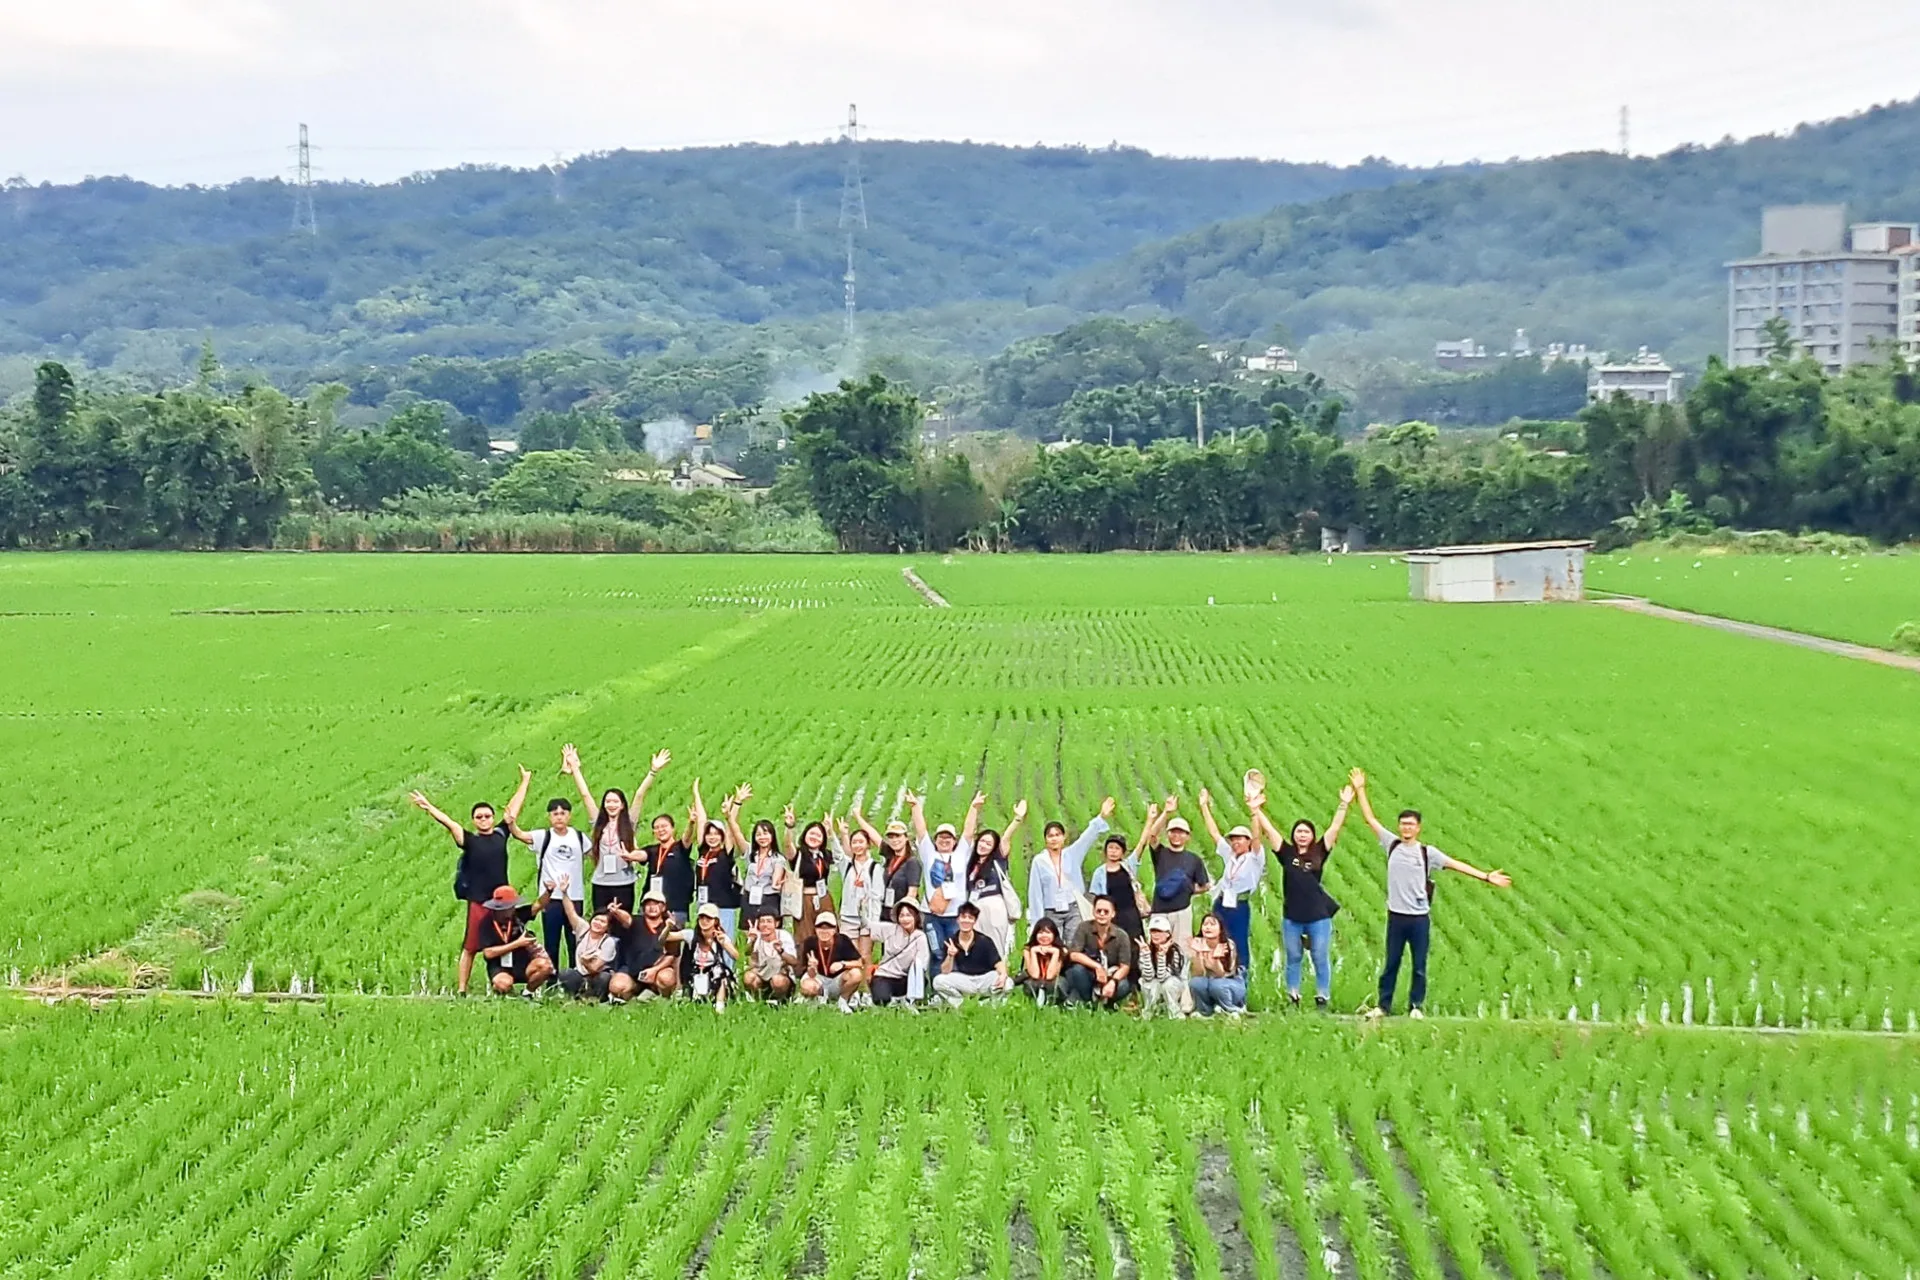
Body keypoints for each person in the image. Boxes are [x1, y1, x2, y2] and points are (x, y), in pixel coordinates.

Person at [1350, 770, 1512, 1019]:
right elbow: (1370, 819)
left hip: (1419, 918)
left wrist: (1486, 876)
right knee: (1391, 964)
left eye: (1411, 824)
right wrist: (1360, 789)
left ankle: (1416, 1006)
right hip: (1396, 916)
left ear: (1418, 828)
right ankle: (1383, 1006)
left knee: (1419, 966)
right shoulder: (1391, 844)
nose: (1406, 828)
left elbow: (1456, 864)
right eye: (1403, 824)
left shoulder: (1427, 853)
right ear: (1399, 826)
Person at [410, 784, 519, 996]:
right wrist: (428, 807)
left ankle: (504, 985)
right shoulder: (470, 841)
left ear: (492, 817)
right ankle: (462, 989)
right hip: (478, 901)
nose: (484, 820)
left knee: (505, 942)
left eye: (487, 816)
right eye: (479, 817)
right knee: (470, 946)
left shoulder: (501, 835)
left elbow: (513, 811)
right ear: (474, 821)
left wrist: (525, 781)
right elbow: (449, 823)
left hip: (502, 903)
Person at [1250, 782, 1350, 1009]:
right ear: (1294, 835)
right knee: (1294, 957)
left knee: (1319, 956)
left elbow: (1334, 828)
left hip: (1318, 915)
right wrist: (1256, 810)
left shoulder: (1319, 852)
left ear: (1312, 836)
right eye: (1299, 831)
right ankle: (1293, 995)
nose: (1302, 835)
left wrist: (1343, 804)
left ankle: (1322, 996)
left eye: (1306, 832)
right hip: (1292, 916)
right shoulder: (1287, 853)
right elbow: (1270, 832)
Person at [564, 744, 670, 916]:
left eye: (615, 802)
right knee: (601, 923)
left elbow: (640, 794)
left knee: (623, 925)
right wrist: (575, 769)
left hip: (624, 883)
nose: (611, 805)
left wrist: (653, 771)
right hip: (601, 883)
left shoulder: (629, 823)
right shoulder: (598, 822)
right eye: (608, 802)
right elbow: (585, 795)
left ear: (622, 805)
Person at [507, 773, 591, 971]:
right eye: (555, 813)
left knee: (575, 941)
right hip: (550, 899)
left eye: (563, 813)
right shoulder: (542, 836)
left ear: (569, 815)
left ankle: (575, 980)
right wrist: (511, 822)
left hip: (575, 896)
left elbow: (594, 855)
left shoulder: (579, 837)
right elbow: (519, 834)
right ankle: (552, 981)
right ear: (549, 817)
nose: (559, 816)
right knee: (551, 942)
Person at [1198, 786, 1263, 991]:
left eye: (1240, 839)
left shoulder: (1254, 858)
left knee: (1239, 943)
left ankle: (1240, 984)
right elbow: (1214, 833)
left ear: (1248, 841)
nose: (1235, 842)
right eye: (1233, 839)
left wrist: (1254, 812)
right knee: (1216, 941)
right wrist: (1204, 806)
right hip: (1222, 903)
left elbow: (1258, 836)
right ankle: (1216, 980)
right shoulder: (1230, 856)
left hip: (1239, 905)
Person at [1025, 796, 1116, 942]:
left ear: (1063, 837)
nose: (1054, 839)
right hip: (1051, 911)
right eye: (1050, 836)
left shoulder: (1072, 854)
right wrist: (1037, 922)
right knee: (1055, 945)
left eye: (1057, 835)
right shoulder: (1039, 861)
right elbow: (1035, 893)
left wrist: (1101, 816)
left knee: (1075, 944)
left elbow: (1087, 838)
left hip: (1073, 908)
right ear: (1045, 839)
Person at [909, 789, 984, 967]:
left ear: (954, 841)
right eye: (941, 837)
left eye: (948, 837)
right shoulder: (928, 854)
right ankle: (936, 989)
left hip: (955, 915)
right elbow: (921, 831)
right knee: (936, 952)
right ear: (935, 840)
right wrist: (915, 807)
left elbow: (968, 832)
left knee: (956, 951)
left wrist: (974, 808)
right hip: (932, 914)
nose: (944, 840)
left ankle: (954, 986)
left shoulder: (960, 854)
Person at [1142, 798, 1212, 951]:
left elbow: (1205, 885)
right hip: (1160, 910)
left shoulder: (1194, 860)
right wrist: (1166, 812)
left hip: (1182, 911)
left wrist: (1188, 889)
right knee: (1157, 950)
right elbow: (1152, 836)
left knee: (1182, 951)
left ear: (1188, 837)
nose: (1177, 836)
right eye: (1173, 832)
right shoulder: (1161, 853)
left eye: (1181, 833)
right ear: (1168, 834)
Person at [542, 876, 620, 1000]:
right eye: (596, 919)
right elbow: (571, 912)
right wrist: (564, 893)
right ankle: (577, 995)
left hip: (598, 975)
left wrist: (585, 962)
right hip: (580, 973)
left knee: (603, 978)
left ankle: (597, 998)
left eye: (602, 922)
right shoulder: (584, 929)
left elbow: (595, 969)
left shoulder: (608, 942)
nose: (598, 923)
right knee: (565, 974)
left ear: (607, 927)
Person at [961, 803, 1023, 956]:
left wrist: (1017, 819)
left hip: (994, 905)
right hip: (975, 906)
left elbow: (1006, 838)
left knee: (995, 946)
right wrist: (974, 808)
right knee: (975, 947)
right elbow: (967, 834)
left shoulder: (997, 860)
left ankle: (999, 976)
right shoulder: (971, 863)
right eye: (982, 841)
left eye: (988, 843)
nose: (983, 845)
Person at [1089, 807, 1153, 942]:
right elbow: (1094, 899)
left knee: (1136, 948)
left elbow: (1142, 843)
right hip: (1111, 918)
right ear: (1105, 851)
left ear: (1122, 852)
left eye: (1117, 848)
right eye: (1110, 848)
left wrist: (1150, 820)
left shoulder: (1128, 866)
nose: (1113, 851)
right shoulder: (1099, 873)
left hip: (1132, 916)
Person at [475, 884, 553, 996]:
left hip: (521, 963)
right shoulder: (486, 924)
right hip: (500, 966)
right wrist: (517, 943)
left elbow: (538, 905)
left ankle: (528, 993)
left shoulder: (518, 916)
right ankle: (507, 995)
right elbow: (488, 953)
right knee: (503, 984)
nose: (512, 909)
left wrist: (549, 891)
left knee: (545, 967)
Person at [689, 779, 743, 937]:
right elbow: (701, 820)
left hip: (723, 907)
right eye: (709, 834)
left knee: (724, 941)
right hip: (704, 905)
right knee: (704, 942)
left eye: (716, 834)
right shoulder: (703, 853)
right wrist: (696, 794)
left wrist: (733, 809)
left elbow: (730, 829)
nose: (712, 837)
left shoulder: (725, 854)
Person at [608, 885, 681, 1002]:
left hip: (657, 971)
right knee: (617, 986)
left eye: (657, 904)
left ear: (663, 908)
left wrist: (655, 970)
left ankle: (659, 996)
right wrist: (617, 912)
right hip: (632, 970)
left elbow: (671, 955)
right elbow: (626, 919)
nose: (652, 907)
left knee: (667, 978)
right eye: (648, 904)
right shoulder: (635, 921)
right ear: (643, 907)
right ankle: (632, 996)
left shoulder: (670, 927)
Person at [1062, 895, 1135, 1009]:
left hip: (1110, 974)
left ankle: (1107, 1004)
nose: (1101, 914)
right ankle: (1088, 1001)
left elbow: (1125, 966)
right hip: (1089, 973)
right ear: (1093, 912)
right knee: (1076, 971)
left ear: (1113, 914)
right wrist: (1097, 967)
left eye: (1106, 912)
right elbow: (1074, 954)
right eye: (1098, 911)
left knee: (1123, 985)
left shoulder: (1121, 935)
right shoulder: (1084, 927)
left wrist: (1113, 982)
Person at [932, 902, 1010, 1006]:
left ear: (974, 921)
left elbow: (998, 963)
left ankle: (992, 1004)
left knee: (1008, 983)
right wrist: (950, 955)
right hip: (964, 980)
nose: (966, 920)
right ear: (958, 920)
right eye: (963, 917)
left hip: (984, 978)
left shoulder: (985, 940)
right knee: (938, 981)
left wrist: (1003, 975)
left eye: (970, 918)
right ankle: (961, 1004)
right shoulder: (951, 941)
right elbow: (945, 971)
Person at [729, 796, 787, 930]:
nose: (762, 838)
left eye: (766, 834)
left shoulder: (778, 858)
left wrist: (776, 882)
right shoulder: (750, 852)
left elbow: (777, 877)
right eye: (759, 834)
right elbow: (736, 832)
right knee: (748, 934)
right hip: (749, 897)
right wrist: (733, 809)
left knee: (768, 934)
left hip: (769, 899)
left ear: (772, 836)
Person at [784, 809, 836, 948]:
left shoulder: (825, 855)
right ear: (805, 835)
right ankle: (804, 967)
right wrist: (789, 827)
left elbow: (844, 856)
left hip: (823, 898)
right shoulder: (799, 853)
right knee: (804, 936)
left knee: (827, 932)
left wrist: (831, 832)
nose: (815, 837)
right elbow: (788, 846)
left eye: (819, 835)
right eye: (811, 833)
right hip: (804, 899)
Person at [833, 810, 885, 944]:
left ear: (868, 844)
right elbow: (838, 855)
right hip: (848, 917)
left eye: (861, 842)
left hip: (867, 918)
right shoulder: (848, 865)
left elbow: (877, 895)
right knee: (849, 955)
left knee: (865, 956)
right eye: (854, 842)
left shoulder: (875, 868)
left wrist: (874, 922)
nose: (857, 845)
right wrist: (832, 834)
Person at [798, 911, 868, 1010]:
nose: (824, 931)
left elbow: (860, 962)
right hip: (819, 977)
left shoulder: (843, 941)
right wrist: (812, 968)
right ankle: (816, 998)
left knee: (856, 974)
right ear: (815, 929)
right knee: (807, 986)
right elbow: (809, 973)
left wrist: (842, 964)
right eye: (820, 928)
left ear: (835, 929)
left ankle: (843, 1000)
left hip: (838, 979)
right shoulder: (810, 943)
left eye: (829, 928)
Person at [678, 902, 740, 1011]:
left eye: (708, 919)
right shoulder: (691, 935)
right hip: (695, 972)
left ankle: (719, 1006)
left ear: (715, 921)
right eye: (702, 918)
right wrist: (668, 927)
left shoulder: (720, 937)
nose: (704, 921)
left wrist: (724, 944)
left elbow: (736, 956)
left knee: (721, 972)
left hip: (713, 975)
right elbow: (665, 938)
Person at [869, 899, 931, 1007]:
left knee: (921, 979)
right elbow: (869, 926)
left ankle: (907, 999)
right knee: (881, 1000)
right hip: (885, 975)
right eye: (902, 915)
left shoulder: (920, 937)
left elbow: (922, 963)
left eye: (908, 915)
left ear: (915, 917)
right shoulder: (890, 929)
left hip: (905, 977)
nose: (905, 919)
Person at [641, 804, 695, 925]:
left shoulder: (680, 848)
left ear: (672, 828)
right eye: (656, 828)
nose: (660, 830)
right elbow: (640, 854)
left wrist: (691, 823)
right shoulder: (652, 850)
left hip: (676, 907)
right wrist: (628, 854)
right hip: (651, 907)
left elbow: (687, 838)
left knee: (673, 940)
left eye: (664, 826)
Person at [1187, 912, 1245, 1017]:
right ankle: (1205, 1011)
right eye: (1205, 924)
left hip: (1230, 983)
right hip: (1210, 982)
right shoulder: (1198, 944)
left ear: (1220, 928)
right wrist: (1198, 954)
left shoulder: (1228, 945)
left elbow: (1222, 974)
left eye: (1212, 924)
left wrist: (1216, 959)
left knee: (1217, 985)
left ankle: (1230, 1010)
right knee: (1195, 982)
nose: (1208, 927)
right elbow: (1198, 973)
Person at [742, 911, 800, 1002]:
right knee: (749, 977)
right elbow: (749, 956)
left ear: (776, 923)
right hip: (763, 974)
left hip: (781, 974)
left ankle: (780, 999)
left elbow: (794, 961)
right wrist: (752, 941)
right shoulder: (757, 936)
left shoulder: (784, 936)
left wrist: (780, 951)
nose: (765, 925)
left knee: (778, 980)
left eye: (769, 921)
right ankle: (759, 998)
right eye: (762, 921)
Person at [1136, 914, 1187, 1018]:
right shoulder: (1146, 948)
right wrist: (1146, 955)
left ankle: (1174, 1012)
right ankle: (1150, 1012)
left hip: (1172, 983)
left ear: (1168, 934)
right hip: (1155, 982)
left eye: (1159, 931)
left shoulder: (1175, 951)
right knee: (1149, 983)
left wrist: (1162, 956)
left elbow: (1163, 977)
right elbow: (1148, 977)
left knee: (1167, 984)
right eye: (1153, 931)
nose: (1155, 935)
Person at [1017, 918, 1066, 1005]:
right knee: (1031, 983)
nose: (1044, 936)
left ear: (1054, 934)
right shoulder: (1028, 950)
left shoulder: (1062, 950)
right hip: (1036, 982)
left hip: (1054, 983)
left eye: (1048, 933)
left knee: (1055, 984)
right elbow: (1034, 974)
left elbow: (1050, 976)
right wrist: (1034, 952)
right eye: (1040, 932)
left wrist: (1055, 953)